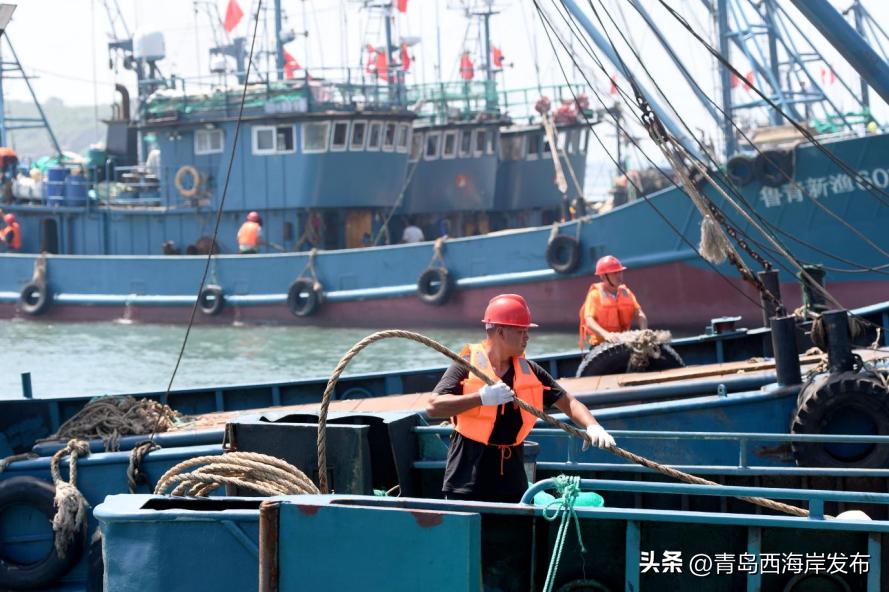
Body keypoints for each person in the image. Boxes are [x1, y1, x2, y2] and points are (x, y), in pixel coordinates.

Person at [426, 294, 615, 503]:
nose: (527, 337)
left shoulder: (530, 371)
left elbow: (569, 402)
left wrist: (593, 426)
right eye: (520, 331)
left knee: (514, 532)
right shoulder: (466, 364)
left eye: (527, 331)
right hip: (466, 482)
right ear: (500, 332)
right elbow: (434, 407)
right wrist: (480, 398)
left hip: (512, 483)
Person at [579, 255, 648, 348]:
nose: (619, 276)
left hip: (623, 342)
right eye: (614, 273)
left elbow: (640, 314)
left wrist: (643, 332)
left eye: (620, 272)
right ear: (603, 276)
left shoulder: (626, 292)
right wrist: (606, 335)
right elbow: (589, 321)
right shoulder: (595, 295)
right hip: (600, 345)